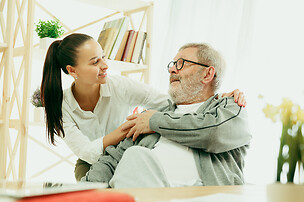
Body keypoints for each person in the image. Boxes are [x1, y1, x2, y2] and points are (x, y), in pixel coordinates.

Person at [40, 33, 247, 181]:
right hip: (92, 162)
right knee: (130, 156)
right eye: (95, 62)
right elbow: (94, 154)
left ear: (207, 74)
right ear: (72, 70)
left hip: (177, 193)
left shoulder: (229, 108)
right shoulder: (60, 104)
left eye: (181, 63)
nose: (172, 69)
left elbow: (164, 102)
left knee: (133, 156)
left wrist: (218, 97)